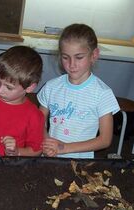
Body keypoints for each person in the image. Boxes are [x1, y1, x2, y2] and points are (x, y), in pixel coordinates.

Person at [37, 23, 120, 159]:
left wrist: (64, 148)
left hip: (81, 163)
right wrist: (47, 142)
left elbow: (105, 140)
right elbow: (39, 120)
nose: (71, 64)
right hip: (50, 158)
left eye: (79, 57)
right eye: (65, 57)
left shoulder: (102, 93)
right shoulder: (51, 87)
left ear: (94, 55)